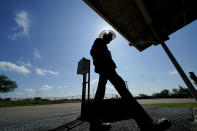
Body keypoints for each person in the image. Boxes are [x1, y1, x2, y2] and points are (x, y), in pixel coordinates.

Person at [89, 30, 171, 131]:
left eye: (111, 39)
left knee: (100, 94)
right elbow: (94, 53)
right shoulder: (98, 41)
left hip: (106, 70)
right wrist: (105, 66)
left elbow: (96, 55)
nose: (110, 40)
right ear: (105, 36)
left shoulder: (102, 45)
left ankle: (95, 123)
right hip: (107, 70)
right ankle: (147, 123)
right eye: (109, 38)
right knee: (124, 93)